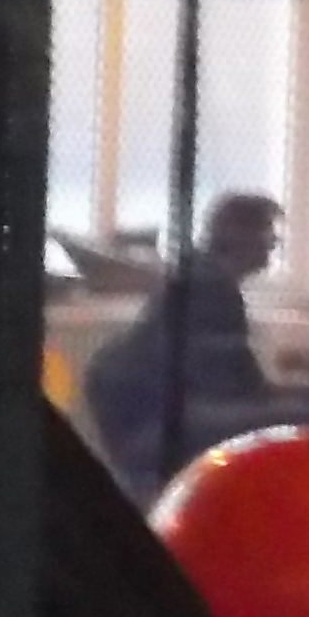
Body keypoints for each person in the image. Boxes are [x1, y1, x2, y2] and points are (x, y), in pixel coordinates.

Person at [80, 191, 282, 504]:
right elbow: (239, 389)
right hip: (157, 426)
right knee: (304, 418)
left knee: (300, 410)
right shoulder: (212, 285)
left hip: (151, 419)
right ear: (238, 235)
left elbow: (243, 381)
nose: (274, 243)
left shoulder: (202, 274)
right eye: (268, 231)